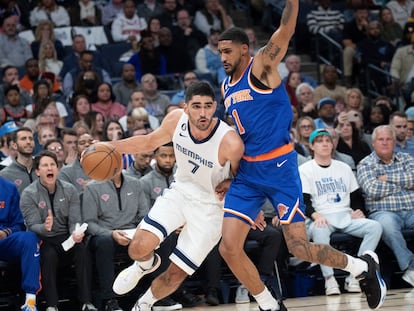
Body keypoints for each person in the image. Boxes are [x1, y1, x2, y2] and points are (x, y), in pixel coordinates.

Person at [216, 3, 385, 309]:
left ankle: (361, 268)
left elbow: (286, 30)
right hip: (248, 175)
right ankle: (268, 303)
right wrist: (231, 175)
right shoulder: (225, 85)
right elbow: (239, 135)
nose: (223, 58)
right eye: (220, 52)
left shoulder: (262, 66)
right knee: (229, 247)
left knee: (299, 247)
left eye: (228, 51)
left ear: (244, 49)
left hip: (280, 168)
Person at [104, 81, 244, 310]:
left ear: (215, 106)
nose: (202, 112)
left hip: (212, 208)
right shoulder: (175, 120)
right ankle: (145, 264)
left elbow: (245, 178)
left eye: (208, 106)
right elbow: (148, 142)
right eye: (196, 106)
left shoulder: (229, 141)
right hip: (180, 192)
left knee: (176, 274)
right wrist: (110, 146)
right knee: (136, 248)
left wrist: (231, 182)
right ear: (185, 107)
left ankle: (145, 304)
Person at [300, 129, 382, 296]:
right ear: (312, 146)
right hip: (320, 217)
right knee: (319, 231)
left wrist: (358, 210)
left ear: (333, 144)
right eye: (320, 141)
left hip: (345, 215)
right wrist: (315, 215)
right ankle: (329, 279)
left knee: (375, 227)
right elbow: (304, 201)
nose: (324, 143)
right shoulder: (305, 169)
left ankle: (357, 274)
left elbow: (355, 196)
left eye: (327, 140)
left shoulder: (344, 168)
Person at [20, 151, 96, 311]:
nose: (50, 168)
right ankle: (52, 305)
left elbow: (75, 219)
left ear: (58, 168)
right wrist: (44, 226)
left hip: (65, 236)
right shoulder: (28, 194)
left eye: (53, 165)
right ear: (37, 171)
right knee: (48, 255)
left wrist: (75, 233)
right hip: (43, 239)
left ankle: (86, 302)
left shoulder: (69, 190)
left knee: (82, 250)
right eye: (45, 165)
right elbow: (32, 225)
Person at [82, 169, 150, 311]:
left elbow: (145, 215)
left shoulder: (136, 184)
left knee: (153, 238)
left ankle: (150, 296)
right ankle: (109, 300)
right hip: (105, 234)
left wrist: (138, 232)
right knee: (104, 243)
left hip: (132, 233)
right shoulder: (92, 187)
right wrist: (111, 234)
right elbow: (89, 222)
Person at [357, 125, 414, 288]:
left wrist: (387, 178)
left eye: (389, 139)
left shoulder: (407, 158)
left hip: (411, 209)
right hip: (384, 212)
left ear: (394, 142)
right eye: (381, 139)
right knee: (387, 226)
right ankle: (411, 269)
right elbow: (372, 190)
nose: (385, 142)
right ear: (373, 143)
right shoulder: (366, 164)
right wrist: (405, 184)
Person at [0, 176, 41, 311]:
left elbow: (19, 225)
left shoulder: (9, 187)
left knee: (29, 238)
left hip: (4, 240)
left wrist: (6, 232)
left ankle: (30, 301)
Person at [0, 127, 37, 194]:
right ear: (14, 145)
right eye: (23, 139)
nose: (28, 142)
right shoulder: (5, 175)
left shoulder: (43, 168)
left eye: (31, 139)